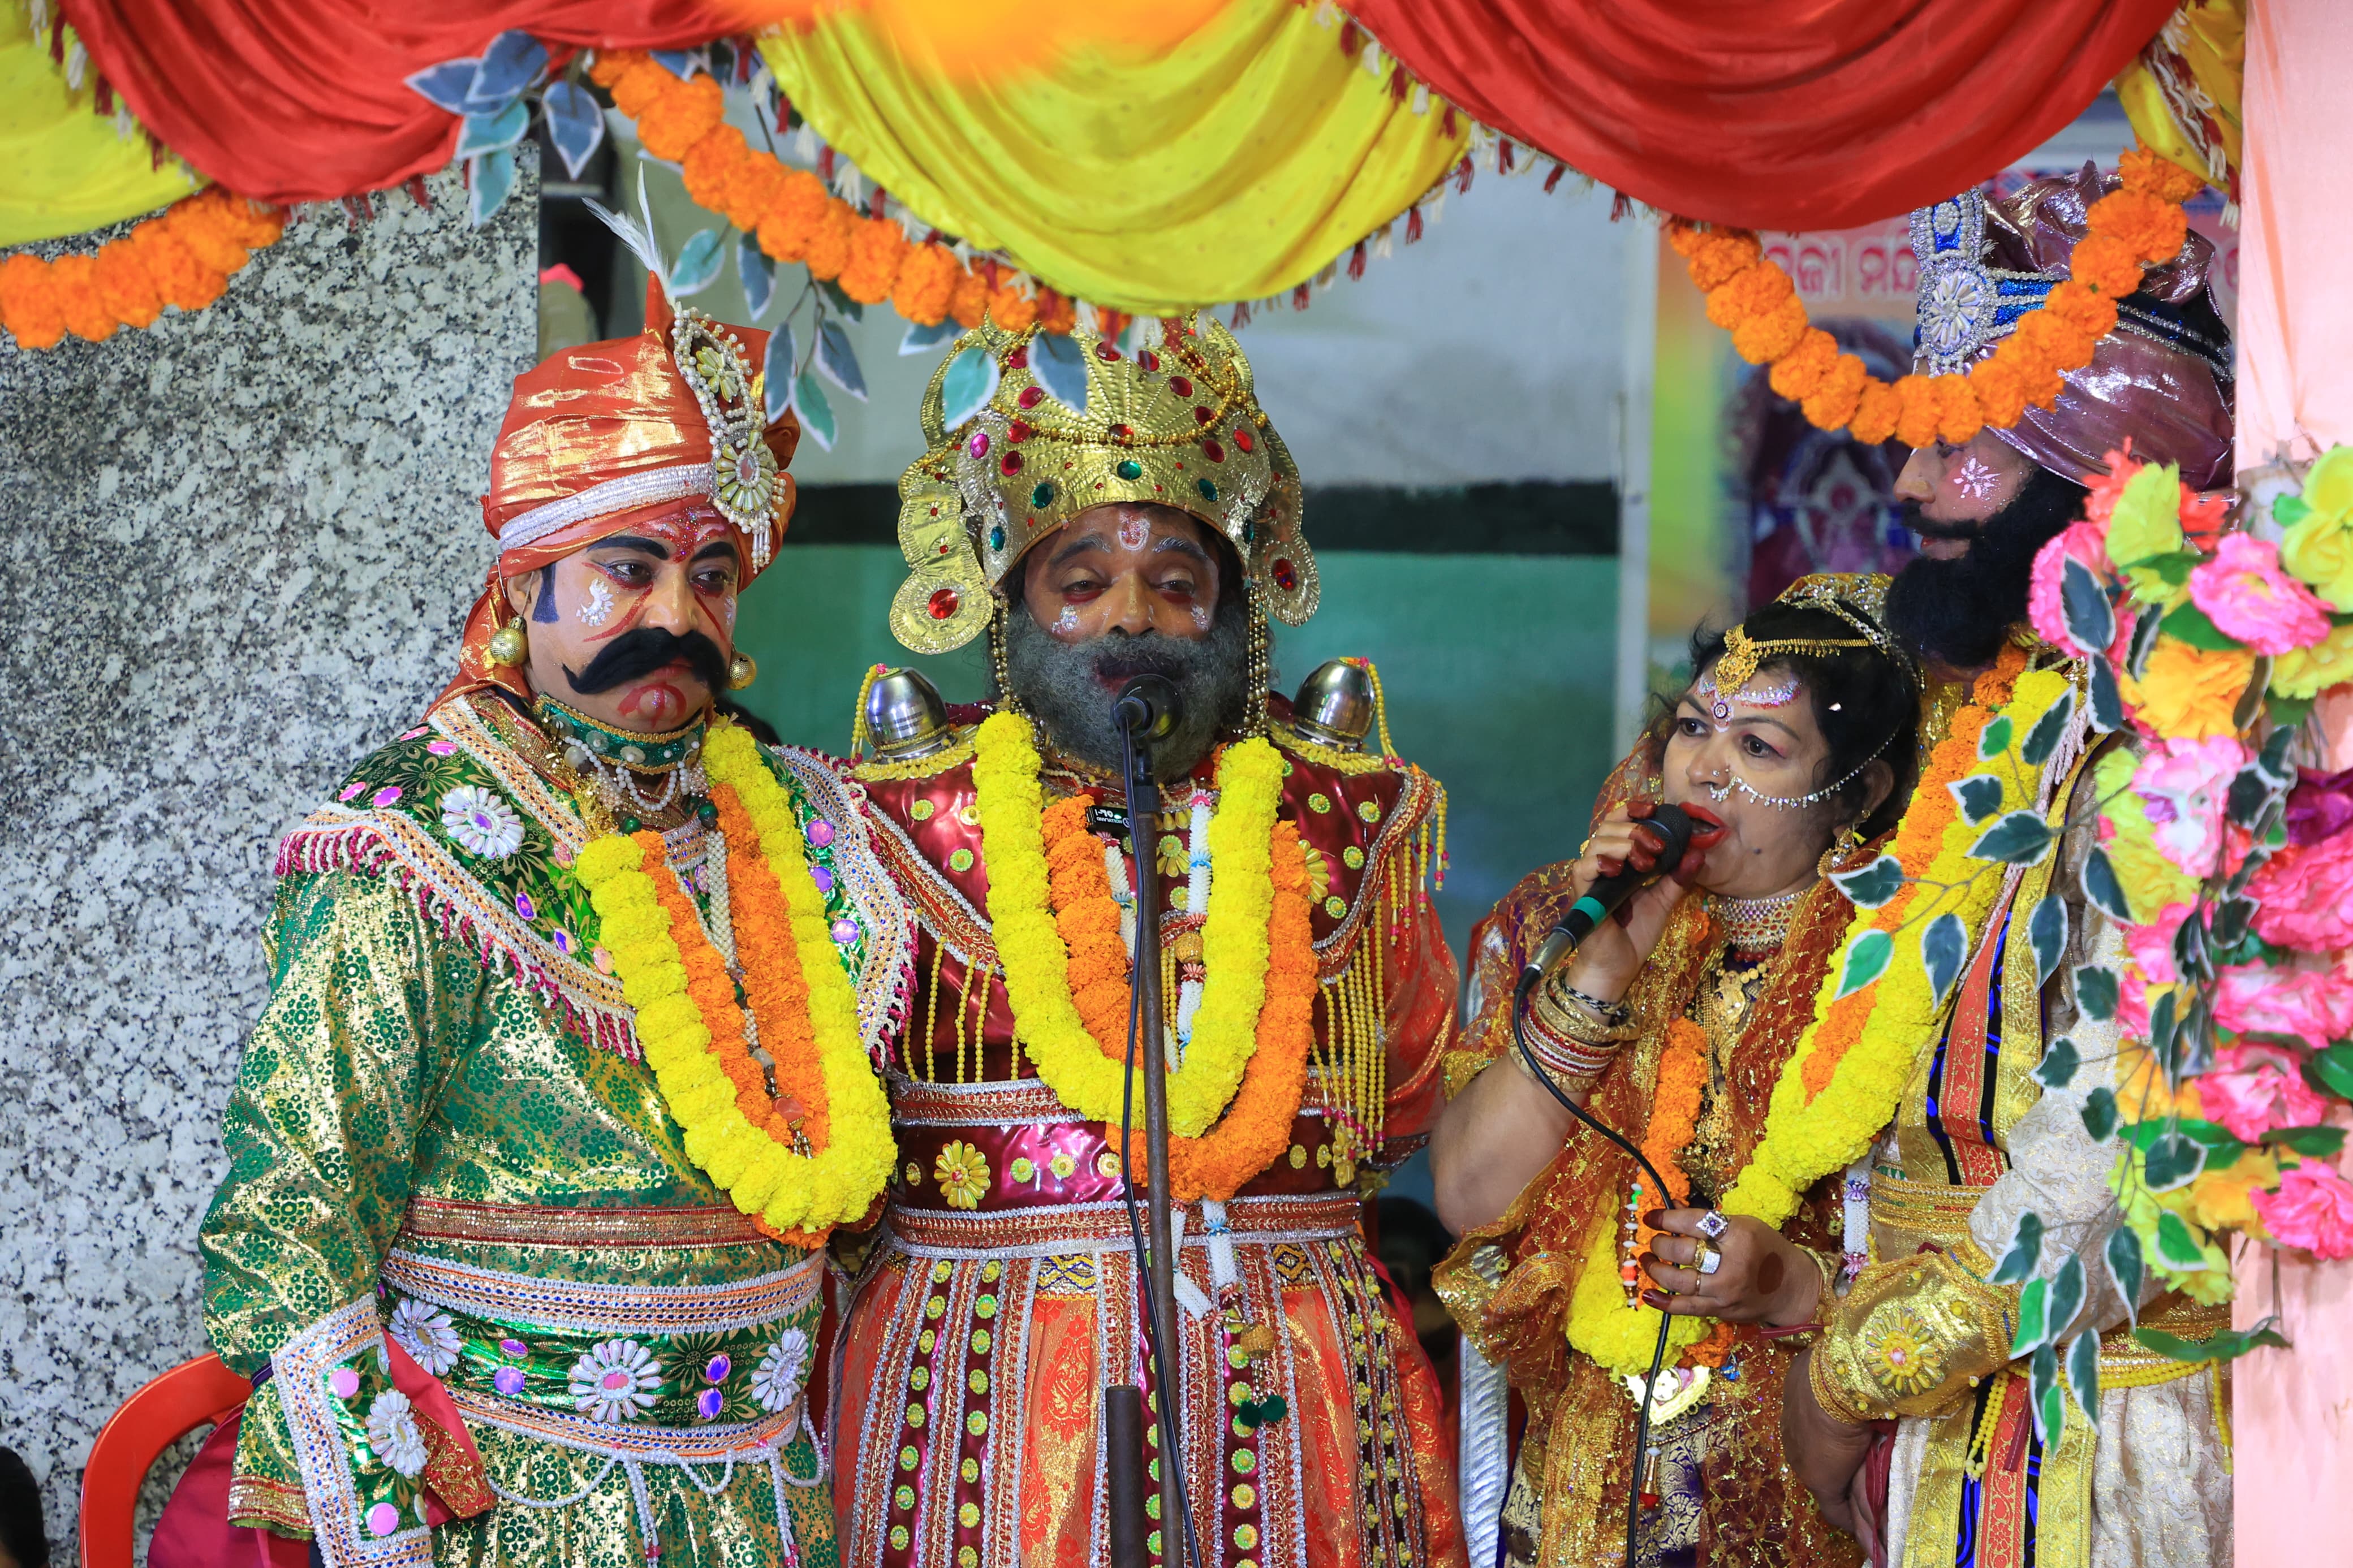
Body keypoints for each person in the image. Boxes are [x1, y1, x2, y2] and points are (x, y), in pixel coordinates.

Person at [153, 261, 912, 1565]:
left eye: (713, 574)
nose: (676, 616)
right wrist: (381, 1521)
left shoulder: (806, 823)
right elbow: (294, 1215)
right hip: (513, 1497)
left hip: (772, 1499)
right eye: (627, 569)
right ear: (519, 590)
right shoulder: (415, 838)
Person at [830, 317, 1467, 1567]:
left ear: (1232, 606)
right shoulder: (894, 821)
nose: (1134, 616)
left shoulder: (1345, 817)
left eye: (1178, 582)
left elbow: (1402, 1102)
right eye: (1081, 584)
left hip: (1290, 1376)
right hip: (993, 1392)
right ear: (1012, 604)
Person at [1776, 170, 2239, 1566]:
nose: (1909, 482)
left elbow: (2122, 1133)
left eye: (1960, 443)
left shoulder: (2183, 734)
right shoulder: (2031, 709)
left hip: (2097, 1442)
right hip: (1956, 1408)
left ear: (2098, 468)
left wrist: (1857, 1374)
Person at [1430, 576, 1919, 1567]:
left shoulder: (1902, 968)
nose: (1705, 769)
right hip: (1577, 1482)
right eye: (1694, 726)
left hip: (1796, 1483)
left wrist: (1795, 1284)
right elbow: (1469, 1195)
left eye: (1759, 747)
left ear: (1859, 793)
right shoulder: (1566, 920)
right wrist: (1604, 971)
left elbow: (1972, 1258)